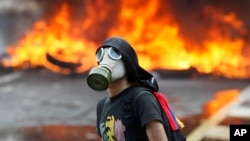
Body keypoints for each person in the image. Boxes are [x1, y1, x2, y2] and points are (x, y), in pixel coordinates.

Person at [87, 36, 169, 141]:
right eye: (100, 55)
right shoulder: (102, 105)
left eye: (114, 54)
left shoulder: (142, 99)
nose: (105, 60)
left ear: (128, 63)